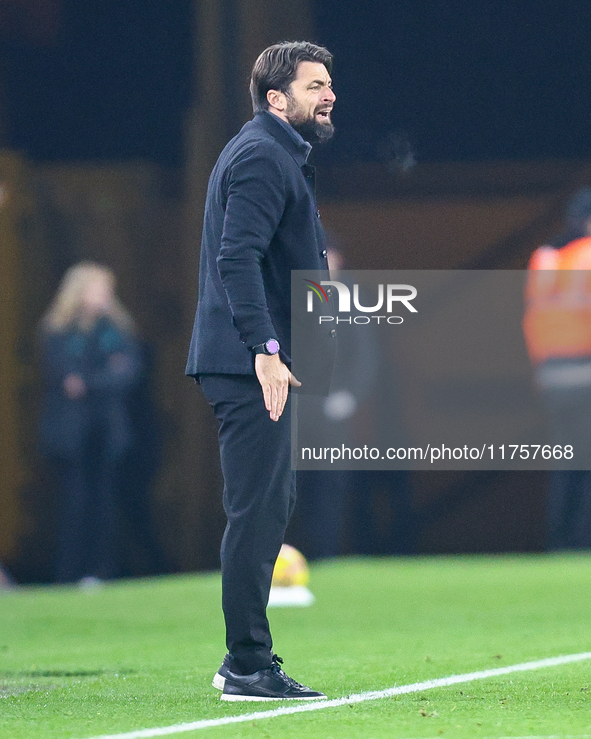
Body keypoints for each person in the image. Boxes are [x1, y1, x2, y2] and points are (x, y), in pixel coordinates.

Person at [186, 41, 336, 700]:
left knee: (268, 506)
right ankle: (247, 662)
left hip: (258, 359)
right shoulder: (261, 155)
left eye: (329, 84)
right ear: (276, 98)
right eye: (313, 86)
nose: (327, 95)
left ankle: (241, 660)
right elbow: (236, 258)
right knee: (256, 510)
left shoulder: (276, 154)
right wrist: (266, 350)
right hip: (249, 364)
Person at [38, 262, 141, 583]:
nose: (105, 297)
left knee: (106, 503)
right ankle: (69, 573)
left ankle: (102, 572)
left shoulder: (117, 331)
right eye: (99, 289)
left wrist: (89, 382)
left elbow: (127, 374)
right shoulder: (57, 331)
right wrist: (103, 375)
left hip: (108, 431)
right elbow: (65, 379)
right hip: (71, 434)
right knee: (74, 503)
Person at [523, 188, 591, 549]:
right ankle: (582, 542)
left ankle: (560, 541)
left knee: (567, 463)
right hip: (586, 368)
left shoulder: (546, 258)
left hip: (552, 374)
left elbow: (533, 318)